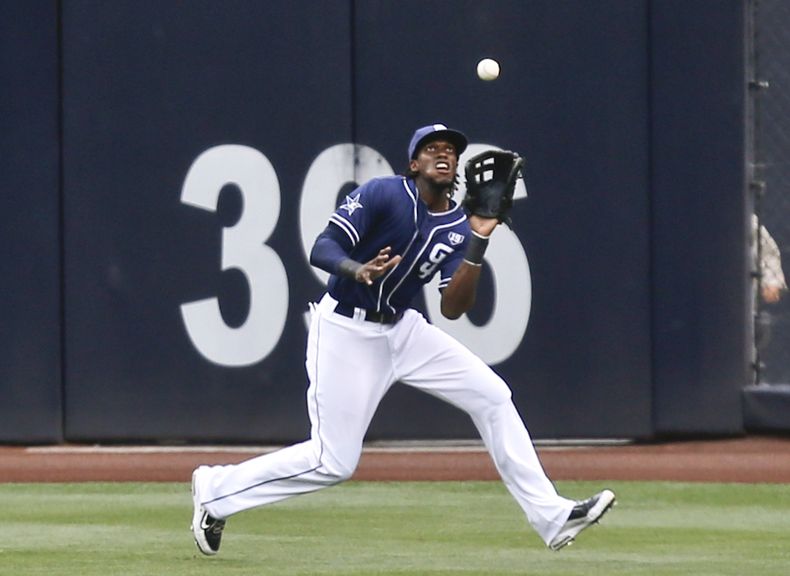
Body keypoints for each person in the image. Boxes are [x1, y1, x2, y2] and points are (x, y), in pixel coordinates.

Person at [190, 123, 615, 556]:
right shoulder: (384, 194)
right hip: (346, 329)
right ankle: (215, 490)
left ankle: (553, 516)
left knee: (493, 396)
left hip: (403, 329)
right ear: (414, 164)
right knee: (333, 461)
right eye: (432, 148)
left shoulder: (457, 224)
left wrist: (480, 239)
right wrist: (358, 269)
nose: (444, 154)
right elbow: (324, 246)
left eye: (450, 149)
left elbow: (453, 307)